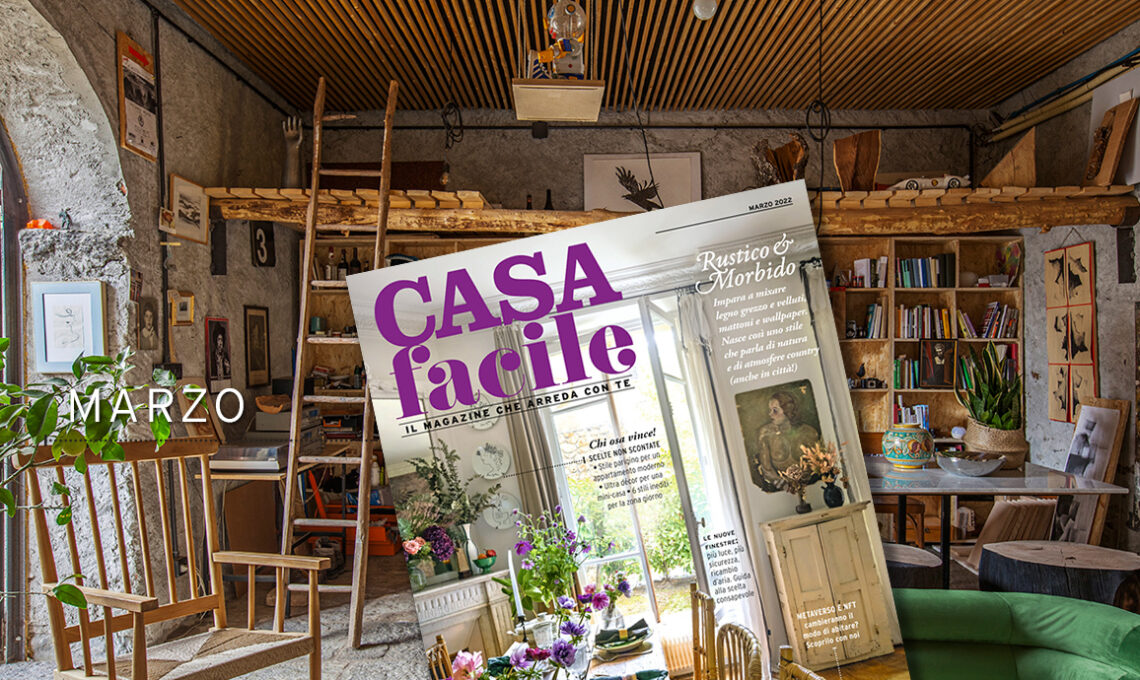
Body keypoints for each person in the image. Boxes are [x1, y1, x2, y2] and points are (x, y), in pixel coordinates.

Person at [750, 391, 820, 491]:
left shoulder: (809, 433)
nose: (770, 414)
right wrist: (782, 483)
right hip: (781, 489)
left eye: (775, 410)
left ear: (788, 411)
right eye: (770, 410)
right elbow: (767, 469)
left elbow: (815, 466)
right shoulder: (765, 434)